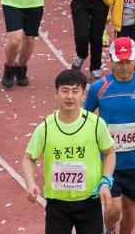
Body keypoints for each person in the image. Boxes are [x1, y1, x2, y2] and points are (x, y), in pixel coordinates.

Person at [21, 68, 117, 234]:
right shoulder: (45, 127)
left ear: (82, 95)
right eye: (64, 91)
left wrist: (106, 181)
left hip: (89, 201)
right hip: (57, 204)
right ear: (56, 94)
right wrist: (30, 183)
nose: (70, 96)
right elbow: (29, 158)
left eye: (75, 91)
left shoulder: (96, 124)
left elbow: (109, 152)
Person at [84, 36, 135, 234]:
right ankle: (109, 228)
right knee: (113, 208)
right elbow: (85, 116)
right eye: (119, 62)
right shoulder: (98, 88)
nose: (124, 66)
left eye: (128, 61)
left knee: (129, 210)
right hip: (109, 159)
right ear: (111, 60)